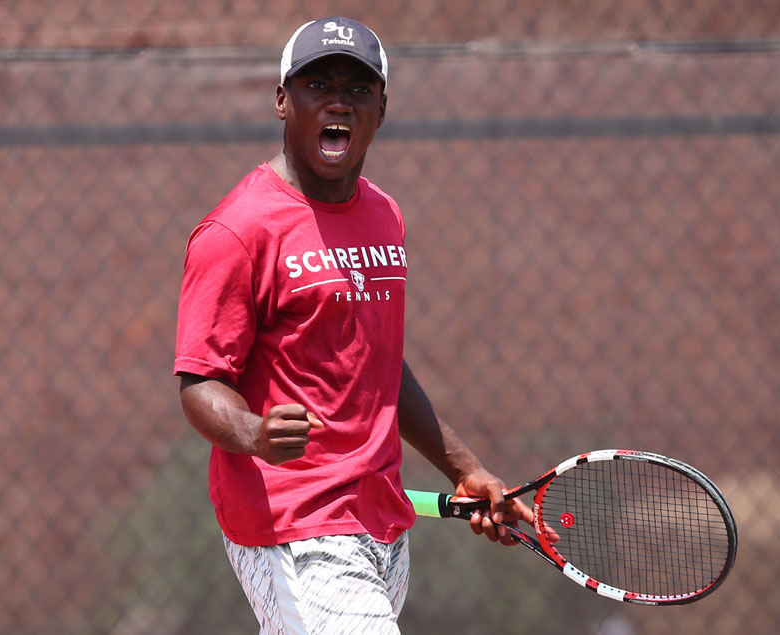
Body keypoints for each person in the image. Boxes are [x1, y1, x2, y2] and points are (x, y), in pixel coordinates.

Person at [173, 17, 531, 634]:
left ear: (381, 110)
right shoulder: (237, 231)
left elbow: (378, 364)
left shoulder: (384, 215)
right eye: (318, 84)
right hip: (294, 528)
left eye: (359, 89)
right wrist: (255, 432)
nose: (338, 100)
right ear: (283, 100)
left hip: (381, 523)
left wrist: (465, 469)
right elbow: (199, 383)